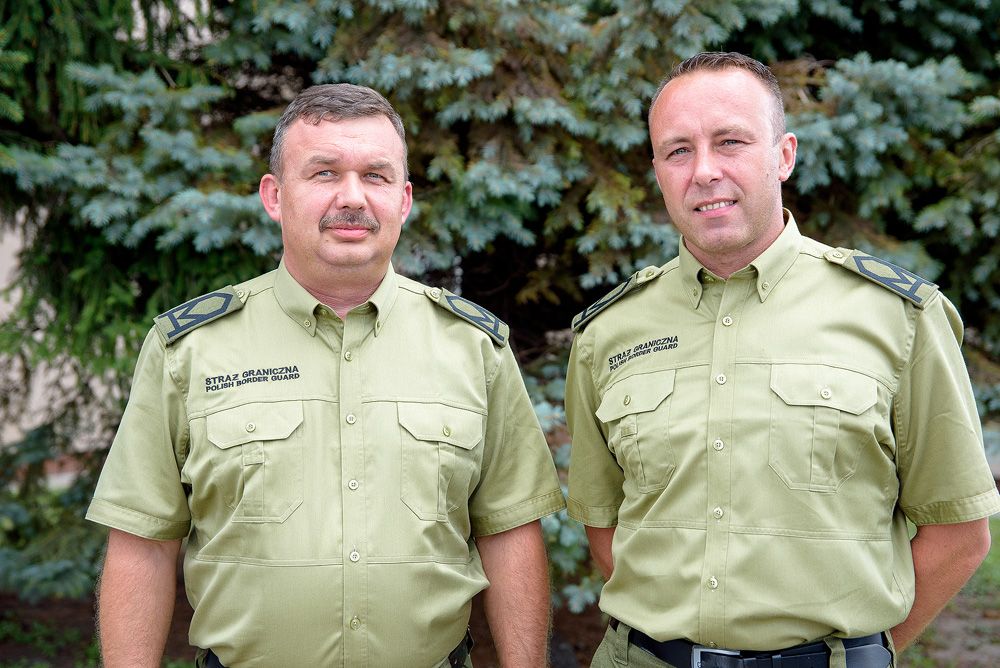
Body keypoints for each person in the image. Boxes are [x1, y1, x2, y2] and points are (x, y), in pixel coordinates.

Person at [86, 83, 566, 668]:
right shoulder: (190, 350)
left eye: (376, 176)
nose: (352, 197)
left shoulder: (473, 347)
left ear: (404, 200)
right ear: (274, 195)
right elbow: (144, 545)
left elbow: (510, 532)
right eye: (324, 173)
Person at [565, 52, 999, 668]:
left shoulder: (898, 318)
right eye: (678, 151)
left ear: (784, 155)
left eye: (731, 142)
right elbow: (605, 526)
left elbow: (959, 534)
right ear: (658, 171)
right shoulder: (607, 332)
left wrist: (856, 656)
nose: (705, 171)